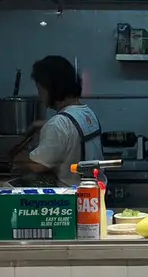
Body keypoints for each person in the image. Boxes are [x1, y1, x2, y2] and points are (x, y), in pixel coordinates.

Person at [12, 55, 102, 187]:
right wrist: (44, 125)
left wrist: (18, 159)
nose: (40, 95)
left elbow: (38, 165)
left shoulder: (58, 124)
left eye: (40, 89)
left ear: (50, 88)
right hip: (95, 191)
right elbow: (74, 131)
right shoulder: (86, 112)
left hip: (73, 195)